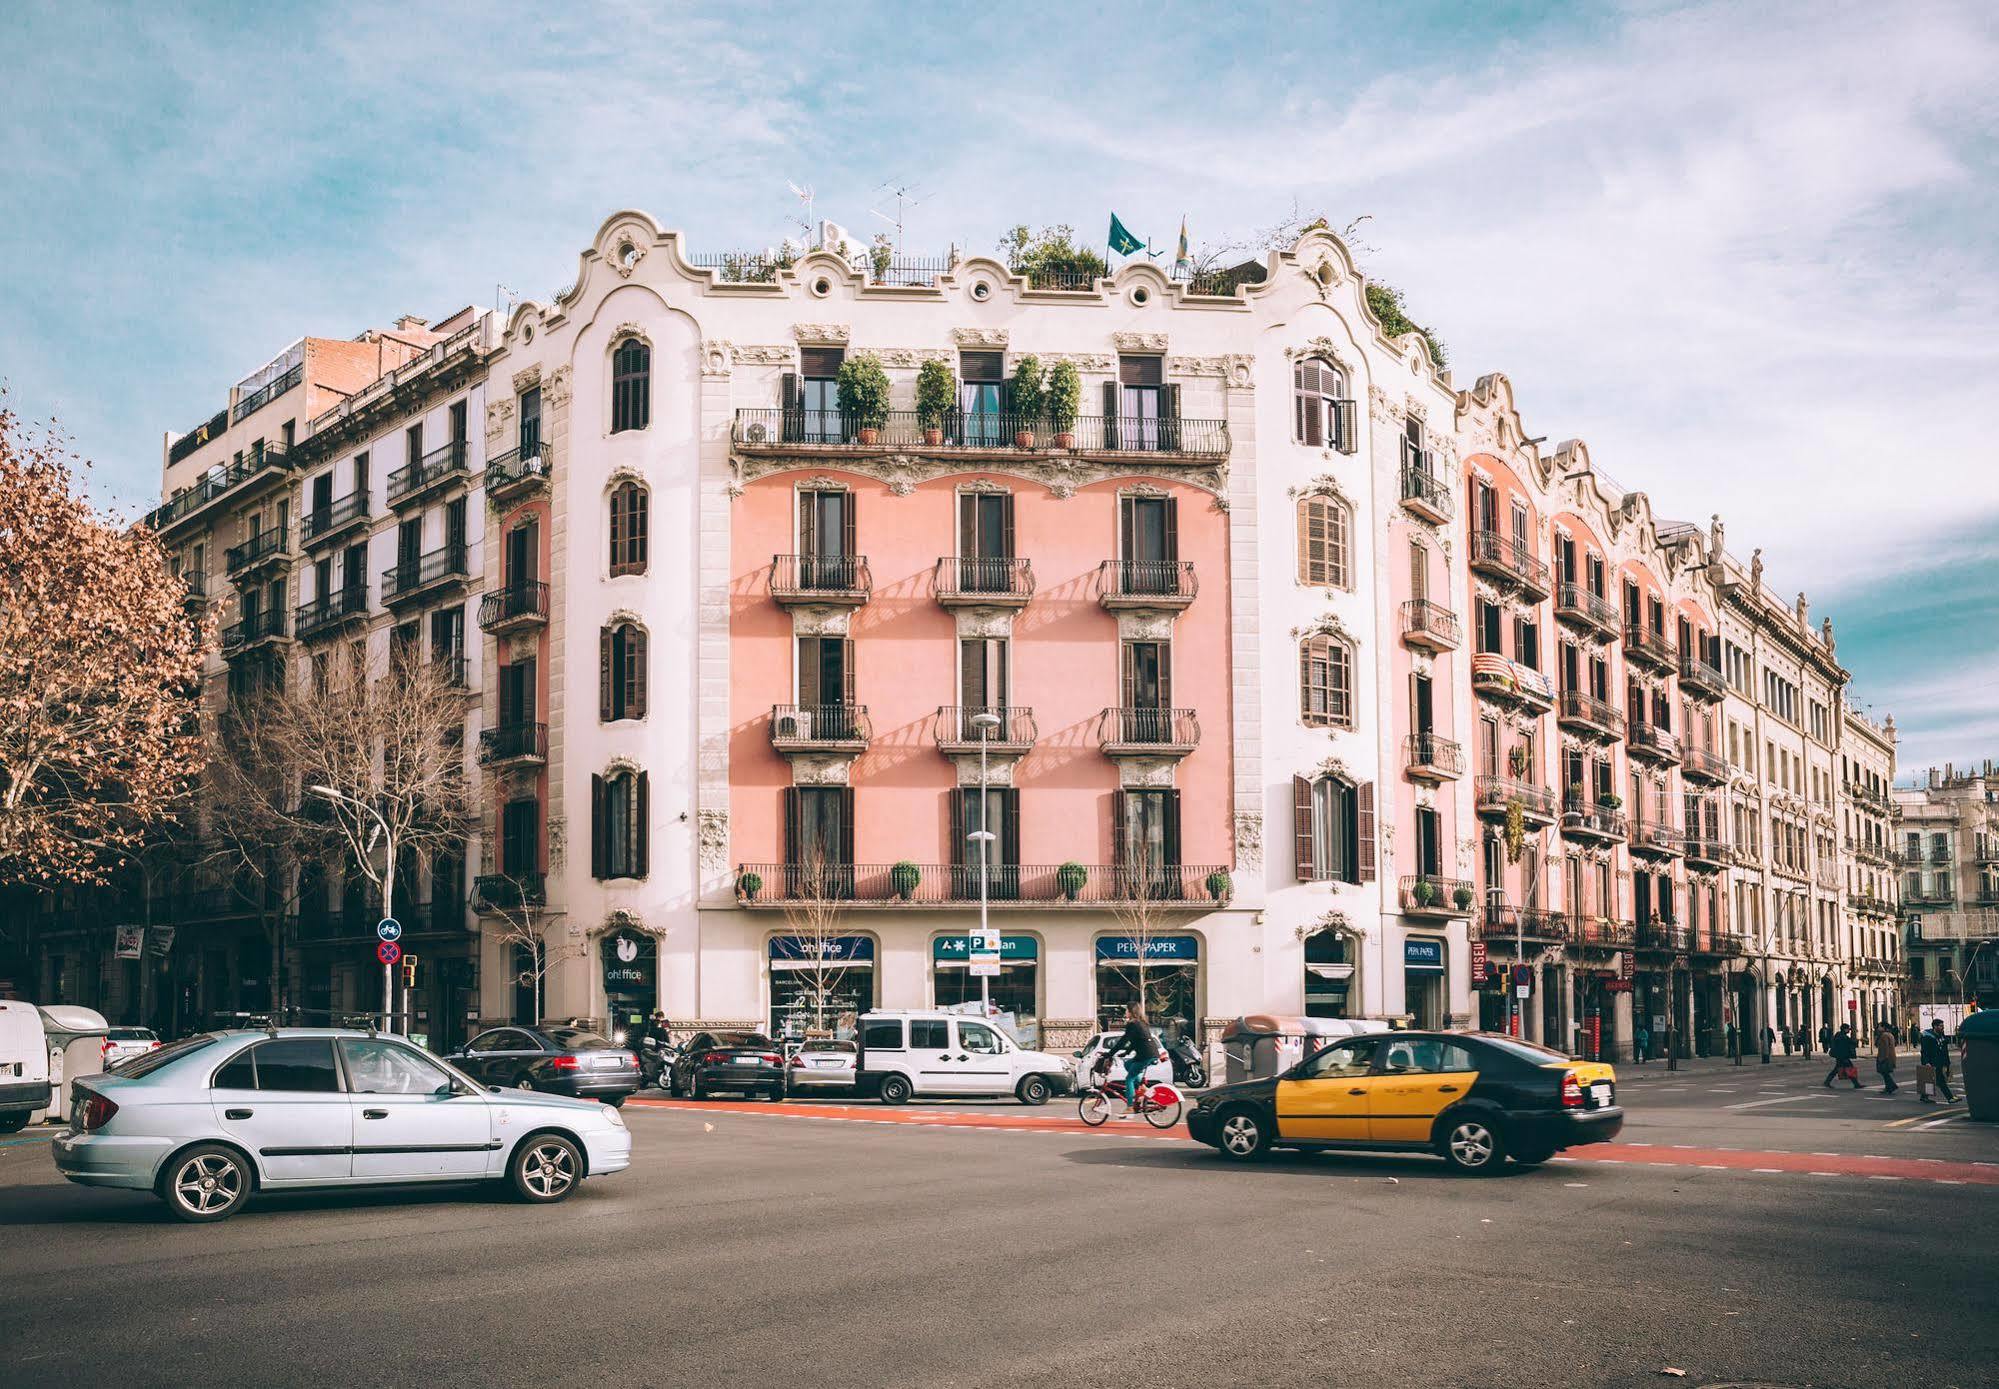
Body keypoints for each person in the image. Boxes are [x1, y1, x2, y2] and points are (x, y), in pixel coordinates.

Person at [1105, 1006, 1163, 1114]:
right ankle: (1143, 1087)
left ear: (1132, 1012)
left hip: (1145, 1055)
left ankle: (1130, 1106)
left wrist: (1110, 1053)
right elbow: (1135, 1041)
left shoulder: (1132, 1024)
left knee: (1129, 1079)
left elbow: (1123, 1040)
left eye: (1127, 1010)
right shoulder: (1141, 1023)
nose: (1125, 1012)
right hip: (1151, 1053)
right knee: (1128, 1064)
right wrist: (1126, 1052)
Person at [1917, 1019, 1958, 1104]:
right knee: (1939, 1080)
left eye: (1942, 1026)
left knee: (1931, 1080)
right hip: (1931, 1061)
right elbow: (1924, 1051)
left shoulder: (1941, 1035)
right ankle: (1950, 1098)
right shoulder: (1927, 1036)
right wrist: (1926, 1062)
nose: (1942, 1027)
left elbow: (1945, 1050)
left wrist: (1947, 1063)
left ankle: (1924, 1097)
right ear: (1935, 1026)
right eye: (1940, 1026)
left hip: (1939, 1061)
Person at [1823, 1023, 1862, 1089]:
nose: (1849, 1031)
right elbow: (1849, 1044)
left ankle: (1827, 1082)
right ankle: (1856, 1084)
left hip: (1840, 1056)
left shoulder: (1839, 1035)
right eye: (1848, 1029)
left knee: (1837, 1070)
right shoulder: (1843, 1037)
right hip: (1843, 1057)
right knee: (1850, 1069)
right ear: (1844, 1029)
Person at [1874, 1025, 1899, 1095]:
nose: (1878, 1028)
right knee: (1885, 1073)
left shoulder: (1884, 1035)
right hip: (1890, 1056)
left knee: (1884, 1072)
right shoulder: (1889, 1034)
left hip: (1885, 1057)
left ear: (1883, 1027)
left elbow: (1884, 1048)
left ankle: (1892, 1086)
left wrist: (1882, 1058)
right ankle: (1888, 1087)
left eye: (1880, 1026)